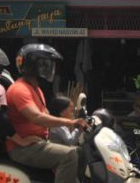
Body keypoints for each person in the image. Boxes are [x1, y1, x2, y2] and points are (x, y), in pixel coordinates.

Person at [6, 43, 89, 183]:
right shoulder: (20, 89)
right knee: (69, 155)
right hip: (23, 148)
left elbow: (46, 115)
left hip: (37, 143)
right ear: (33, 66)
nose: (50, 68)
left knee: (80, 153)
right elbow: (37, 117)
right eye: (45, 63)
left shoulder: (36, 89)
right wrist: (70, 122)